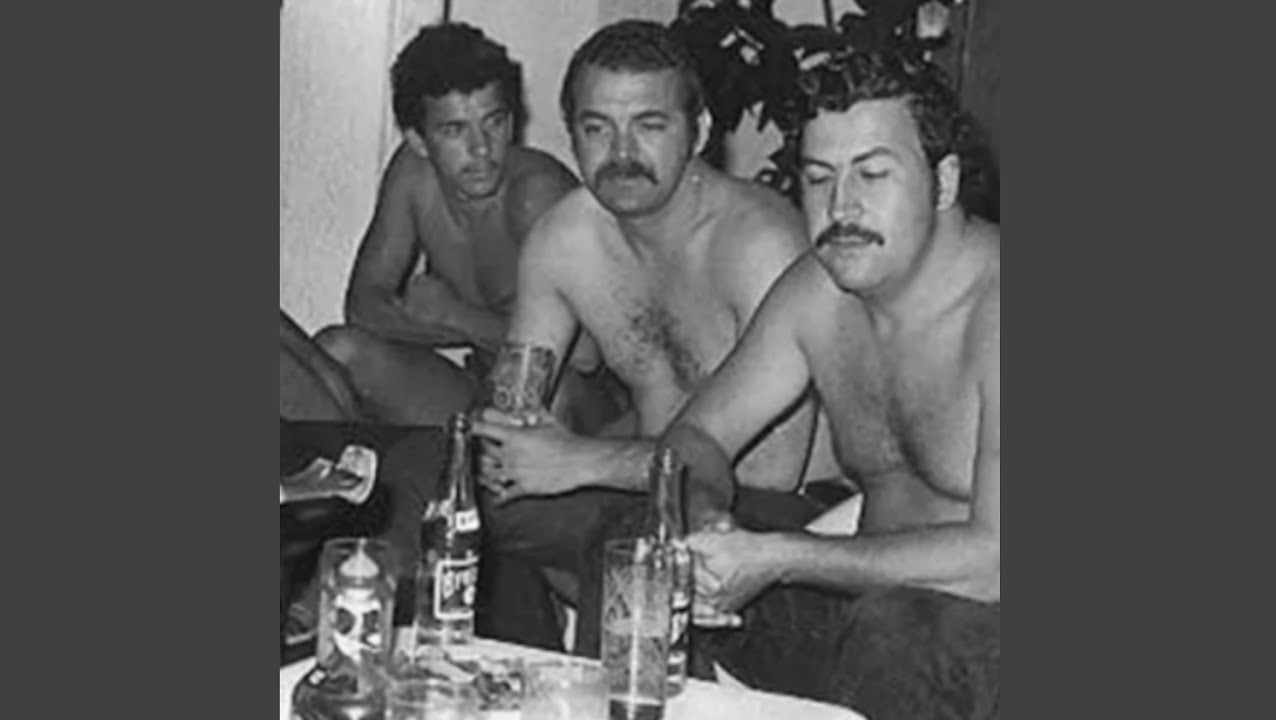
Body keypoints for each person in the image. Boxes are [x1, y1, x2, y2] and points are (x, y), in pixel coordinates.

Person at [655, 48, 1000, 719]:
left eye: (873, 174)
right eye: (818, 178)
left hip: (987, 629)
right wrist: (705, 524)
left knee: (895, 631)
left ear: (944, 181)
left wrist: (783, 556)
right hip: (877, 613)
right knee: (642, 557)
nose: (841, 206)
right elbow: (693, 438)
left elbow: (995, 560)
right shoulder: (819, 293)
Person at [469, 20, 835, 654]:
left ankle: (603, 686)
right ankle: (507, 682)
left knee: (631, 540)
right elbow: (510, 431)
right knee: (466, 501)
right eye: (596, 128)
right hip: (640, 484)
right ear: (571, 134)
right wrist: (521, 457)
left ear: (700, 130)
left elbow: (770, 473)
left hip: (775, 511)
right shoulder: (562, 242)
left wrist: (581, 461)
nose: (621, 152)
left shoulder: (760, 245)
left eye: (650, 125)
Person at [314, 23, 623, 431]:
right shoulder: (413, 177)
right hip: (483, 385)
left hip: (579, 401)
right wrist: (469, 329)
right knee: (338, 349)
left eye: (494, 122)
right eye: (455, 130)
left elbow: (583, 354)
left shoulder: (536, 195)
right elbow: (363, 308)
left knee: (547, 392)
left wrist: (456, 316)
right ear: (418, 141)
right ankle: (356, 468)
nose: (481, 149)